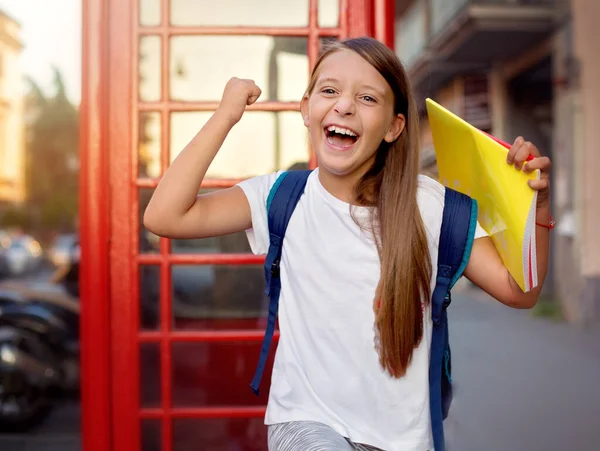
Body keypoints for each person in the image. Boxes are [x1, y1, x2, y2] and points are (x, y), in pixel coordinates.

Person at [143, 37, 552, 451]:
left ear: (394, 127)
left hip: (404, 440)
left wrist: (537, 205)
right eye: (329, 90)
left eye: (367, 97)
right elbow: (165, 216)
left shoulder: (429, 207)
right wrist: (225, 116)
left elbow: (521, 292)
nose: (344, 106)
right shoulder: (281, 196)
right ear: (307, 110)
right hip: (305, 422)